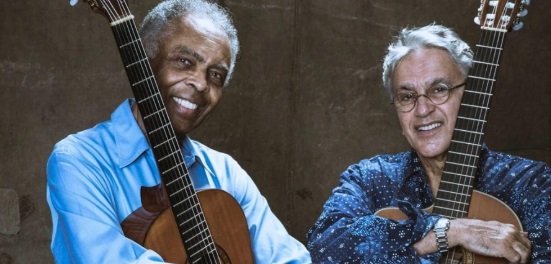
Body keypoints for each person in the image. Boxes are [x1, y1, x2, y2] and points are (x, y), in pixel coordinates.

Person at [46, 0, 311, 263]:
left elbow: (291, 259)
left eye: (216, 75)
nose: (200, 84)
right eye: (184, 61)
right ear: (145, 63)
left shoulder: (226, 174)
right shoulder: (78, 160)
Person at [307, 24, 551, 263]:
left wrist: (408, 245)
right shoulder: (370, 178)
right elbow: (326, 247)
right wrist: (451, 232)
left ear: (471, 96)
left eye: (439, 89)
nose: (422, 110)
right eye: (407, 97)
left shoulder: (531, 182)